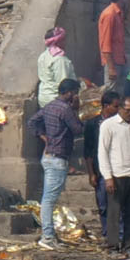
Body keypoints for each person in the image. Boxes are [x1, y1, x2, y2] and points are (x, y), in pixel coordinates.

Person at [28, 78, 82, 246]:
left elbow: (32, 122)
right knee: (49, 200)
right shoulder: (66, 109)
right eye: (76, 93)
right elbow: (78, 129)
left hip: (48, 155)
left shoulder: (50, 106)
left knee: (49, 199)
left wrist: (44, 137)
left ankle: (50, 235)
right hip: (57, 158)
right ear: (70, 93)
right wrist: (77, 110)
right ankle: (48, 237)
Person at [98, 96, 130, 253]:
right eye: (128, 110)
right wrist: (108, 176)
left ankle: (129, 246)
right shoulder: (108, 125)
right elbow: (102, 152)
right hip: (116, 175)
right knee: (115, 213)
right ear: (120, 109)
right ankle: (114, 246)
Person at [98, 0, 130, 87]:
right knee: (111, 93)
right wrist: (111, 68)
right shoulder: (109, 14)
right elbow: (106, 44)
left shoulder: (119, 13)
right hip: (112, 62)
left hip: (120, 60)